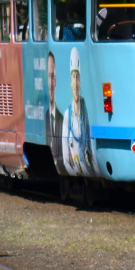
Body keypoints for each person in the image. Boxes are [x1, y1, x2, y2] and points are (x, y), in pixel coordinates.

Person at [61, 48, 95, 177]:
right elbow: (65, 157)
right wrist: (72, 169)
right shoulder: (67, 114)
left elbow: (90, 148)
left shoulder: (85, 112)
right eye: (73, 78)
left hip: (86, 167)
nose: (75, 83)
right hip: (75, 168)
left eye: (77, 77)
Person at [45, 51, 64, 168]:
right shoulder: (44, 117)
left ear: (55, 80)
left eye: (52, 76)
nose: (50, 84)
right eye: (48, 76)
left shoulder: (62, 119)